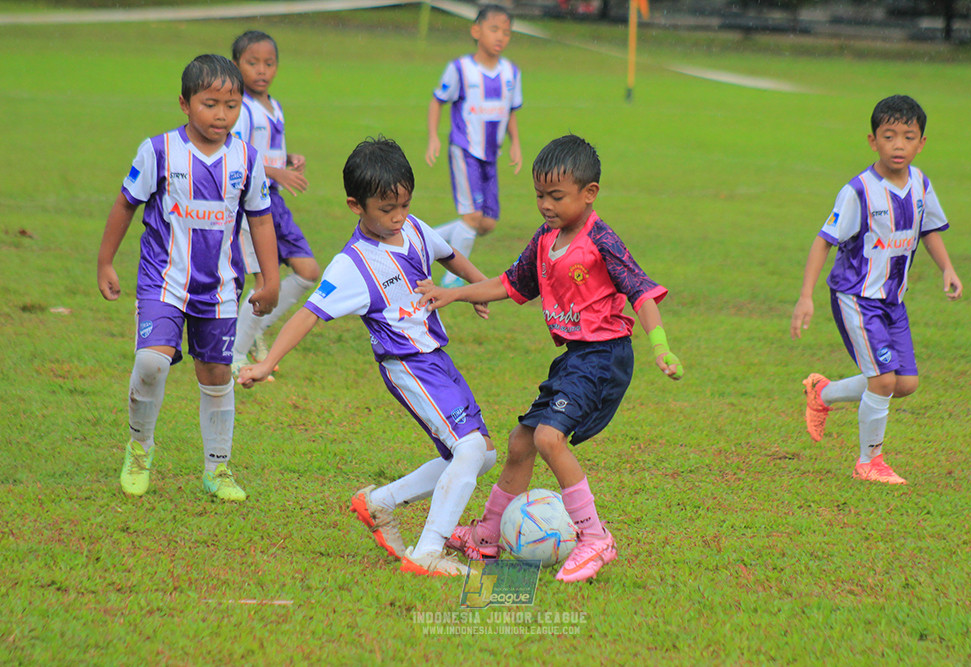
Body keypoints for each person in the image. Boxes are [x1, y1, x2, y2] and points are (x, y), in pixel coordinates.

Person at [417, 134, 684, 582]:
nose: (545, 205)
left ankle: (595, 538)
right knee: (521, 440)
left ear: (589, 193)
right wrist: (455, 292)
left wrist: (661, 346)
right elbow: (511, 283)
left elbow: (641, 291)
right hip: (575, 358)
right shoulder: (546, 239)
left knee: (547, 438)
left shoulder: (601, 241)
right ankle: (487, 536)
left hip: (603, 356)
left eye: (556, 196)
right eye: (540, 195)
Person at [238, 137, 497, 576]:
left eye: (404, 204)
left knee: (483, 453)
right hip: (408, 365)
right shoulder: (352, 265)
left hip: (438, 358)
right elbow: (308, 315)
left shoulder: (413, 228)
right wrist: (265, 363)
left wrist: (479, 290)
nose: (397, 217)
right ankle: (427, 552)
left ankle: (381, 502)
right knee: (469, 448)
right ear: (356, 205)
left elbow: (450, 256)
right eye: (386, 209)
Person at [97, 54, 280, 502]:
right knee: (152, 362)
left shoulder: (246, 158)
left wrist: (270, 279)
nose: (221, 115)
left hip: (219, 287)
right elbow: (125, 204)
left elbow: (259, 219)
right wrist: (105, 261)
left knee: (217, 373)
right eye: (210, 103)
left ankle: (217, 470)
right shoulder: (159, 150)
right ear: (185, 103)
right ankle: (139, 449)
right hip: (163, 279)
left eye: (232, 105)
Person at [790, 94, 962, 485]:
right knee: (883, 381)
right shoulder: (859, 191)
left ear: (921, 143)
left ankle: (823, 393)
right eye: (889, 136)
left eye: (908, 136)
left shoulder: (920, 184)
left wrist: (947, 268)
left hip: (892, 301)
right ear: (873, 141)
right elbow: (824, 241)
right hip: (856, 295)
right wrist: (805, 296)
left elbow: (930, 230)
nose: (898, 145)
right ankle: (869, 462)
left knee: (904, 384)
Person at [230, 30, 321, 379]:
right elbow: (236, 157)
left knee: (308, 271)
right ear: (237, 65)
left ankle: (256, 329)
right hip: (252, 205)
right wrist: (277, 173)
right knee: (264, 283)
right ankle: (236, 355)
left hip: (275, 201)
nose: (261, 70)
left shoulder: (274, 106)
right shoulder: (242, 109)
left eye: (268, 63)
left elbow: (267, 149)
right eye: (252, 63)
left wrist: (288, 160)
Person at [425, 4, 522, 288]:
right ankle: (453, 277)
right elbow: (437, 101)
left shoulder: (511, 73)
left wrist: (515, 143)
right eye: (494, 29)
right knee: (472, 217)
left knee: (487, 223)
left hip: (492, 154)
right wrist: (433, 136)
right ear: (476, 30)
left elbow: (511, 110)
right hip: (464, 149)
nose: (500, 37)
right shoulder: (460, 69)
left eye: (506, 32)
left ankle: (422, 240)